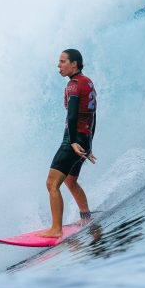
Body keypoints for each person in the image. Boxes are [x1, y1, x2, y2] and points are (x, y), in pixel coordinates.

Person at [39, 49, 97, 238]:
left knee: (52, 184)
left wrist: (72, 142)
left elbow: (71, 115)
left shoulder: (73, 85)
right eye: (58, 63)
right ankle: (86, 216)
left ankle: (56, 229)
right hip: (84, 139)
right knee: (71, 181)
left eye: (63, 62)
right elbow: (92, 115)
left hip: (73, 140)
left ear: (74, 64)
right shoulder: (87, 82)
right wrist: (88, 144)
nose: (59, 66)